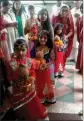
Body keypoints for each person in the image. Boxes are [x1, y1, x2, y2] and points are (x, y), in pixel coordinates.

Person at [6, 37, 49, 120]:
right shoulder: (10, 63)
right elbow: (9, 75)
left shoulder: (30, 61)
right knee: (21, 106)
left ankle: (38, 115)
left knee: (33, 102)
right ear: (14, 50)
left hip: (28, 85)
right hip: (17, 87)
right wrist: (12, 83)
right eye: (18, 50)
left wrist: (32, 79)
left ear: (27, 49)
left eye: (23, 50)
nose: (20, 52)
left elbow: (32, 72)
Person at [35, 30, 56, 104]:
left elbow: (53, 61)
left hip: (48, 69)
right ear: (38, 38)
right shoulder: (35, 49)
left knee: (48, 83)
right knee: (39, 83)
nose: (42, 39)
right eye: (41, 37)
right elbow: (31, 59)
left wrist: (46, 65)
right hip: (38, 70)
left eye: (45, 38)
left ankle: (49, 96)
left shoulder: (50, 49)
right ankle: (40, 96)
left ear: (48, 39)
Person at [76, 3, 83, 74]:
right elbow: (78, 29)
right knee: (80, 52)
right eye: (81, 8)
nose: (82, 9)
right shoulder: (80, 18)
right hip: (81, 38)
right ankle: (81, 68)